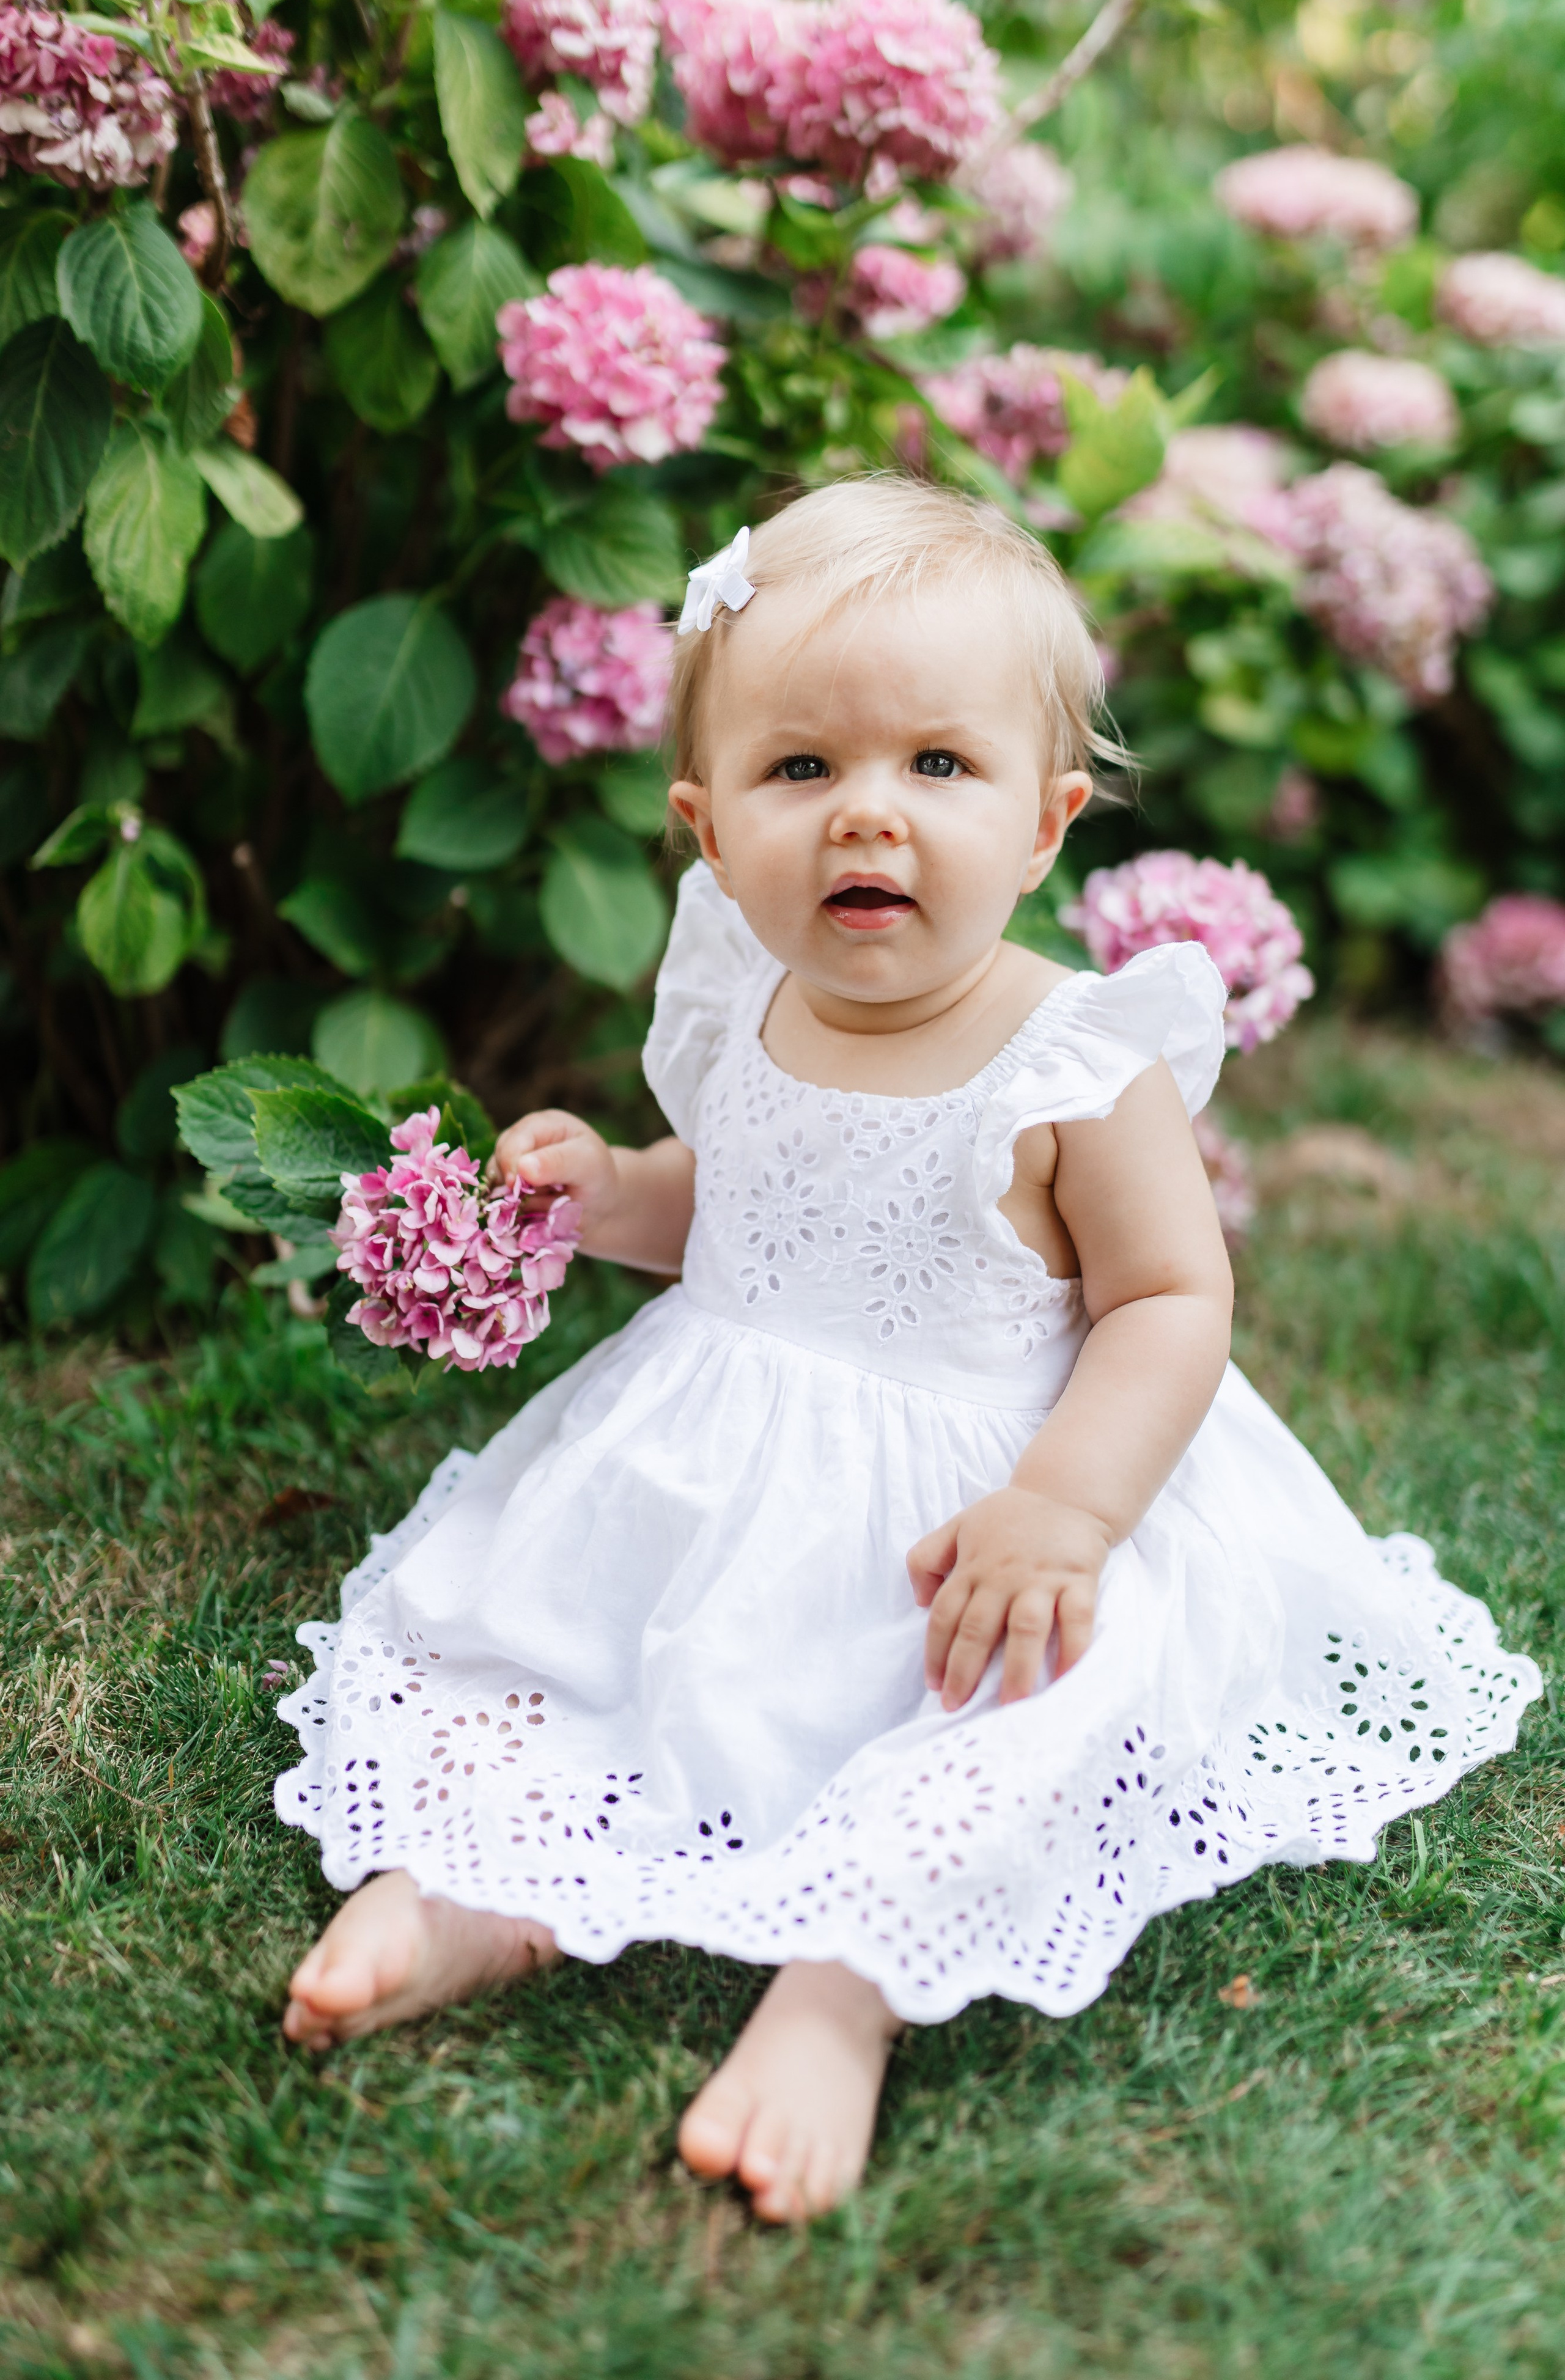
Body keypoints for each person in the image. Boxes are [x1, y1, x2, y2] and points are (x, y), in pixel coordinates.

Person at [276, 477, 1540, 2223]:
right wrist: (609, 1195)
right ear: (711, 832)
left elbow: (1173, 1302)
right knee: (544, 1645)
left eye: (938, 767)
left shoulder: (1080, 1064)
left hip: (979, 1514)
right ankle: (485, 1890)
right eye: (805, 771)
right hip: (719, 1468)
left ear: (1044, 821)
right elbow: (738, 1210)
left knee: (1014, 1726)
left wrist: (1070, 1511)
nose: (869, 817)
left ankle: (842, 1992)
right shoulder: (749, 1002)